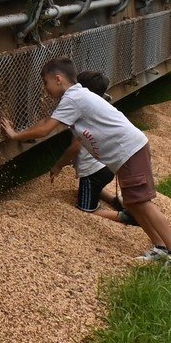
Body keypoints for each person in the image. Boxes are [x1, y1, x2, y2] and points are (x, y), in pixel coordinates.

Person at [0, 57, 171, 274]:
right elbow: (47, 122)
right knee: (134, 204)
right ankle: (161, 248)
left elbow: (45, 129)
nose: (45, 88)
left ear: (58, 79)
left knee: (142, 203)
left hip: (129, 151)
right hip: (124, 155)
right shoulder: (75, 97)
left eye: (46, 82)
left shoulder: (74, 98)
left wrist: (15, 135)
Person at [51, 71, 140, 226]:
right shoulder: (100, 111)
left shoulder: (83, 117)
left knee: (85, 209)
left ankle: (125, 216)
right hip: (106, 166)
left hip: (94, 173)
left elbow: (75, 148)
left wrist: (58, 165)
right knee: (92, 187)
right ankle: (114, 200)